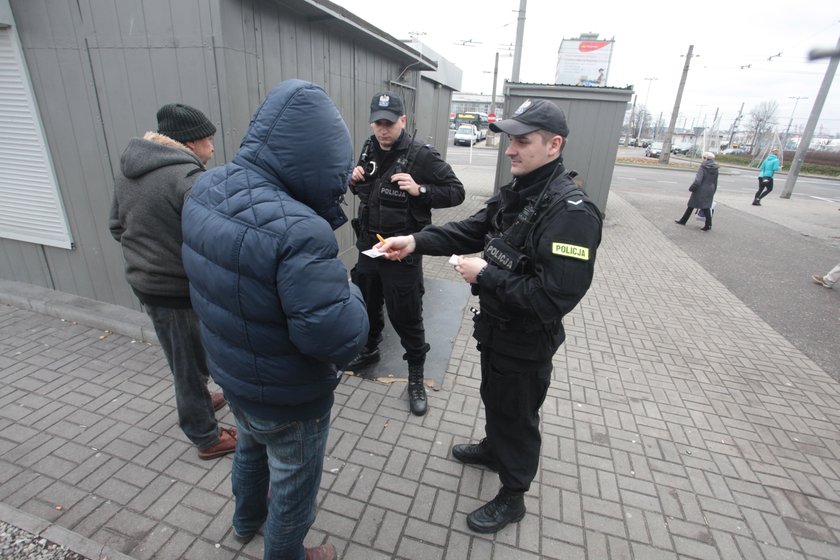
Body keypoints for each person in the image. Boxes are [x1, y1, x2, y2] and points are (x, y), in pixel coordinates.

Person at [377, 99, 603, 533]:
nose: (510, 150)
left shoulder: (571, 213)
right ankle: (494, 448)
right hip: (497, 329)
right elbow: (471, 229)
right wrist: (415, 240)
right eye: (509, 140)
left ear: (554, 145)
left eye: (522, 141)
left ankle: (513, 494)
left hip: (526, 338)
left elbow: (551, 299)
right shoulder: (520, 192)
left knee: (518, 416)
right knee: (496, 399)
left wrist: (486, 275)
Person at [181, 80, 369, 560]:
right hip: (289, 394)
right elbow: (338, 338)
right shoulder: (300, 230)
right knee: (293, 483)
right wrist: (352, 291)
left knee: (249, 447)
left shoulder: (206, 187)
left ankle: (245, 521)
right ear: (319, 158)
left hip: (233, 373)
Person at [109, 103, 236, 461]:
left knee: (185, 355)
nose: (212, 148)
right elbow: (212, 241)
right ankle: (205, 435)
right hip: (176, 289)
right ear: (190, 142)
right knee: (189, 363)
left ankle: (199, 399)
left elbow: (116, 226)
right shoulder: (187, 179)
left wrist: (149, 255)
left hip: (145, 282)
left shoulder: (129, 168)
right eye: (208, 141)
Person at [346, 91, 465, 416]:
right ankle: (370, 347)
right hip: (370, 245)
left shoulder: (422, 156)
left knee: (406, 314)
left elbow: (456, 192)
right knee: (367, 301)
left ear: (403, 121)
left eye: (389, 123)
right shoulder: (370, 146)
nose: (383, 129)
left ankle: (415, 375)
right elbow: (365, 187)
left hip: (402, 252)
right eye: (377, 123)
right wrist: (354, 179)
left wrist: (420, 190)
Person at [674, 151, 719, 231]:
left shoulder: (703, 167)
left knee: (695, 205)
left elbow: (698, 181)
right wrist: (713, 190)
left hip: (700, 189)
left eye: (703, 158)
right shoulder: (715, 168)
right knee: (705, 206)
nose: (702, 159)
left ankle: (685, 221)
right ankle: (707, 224)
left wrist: (692, 188)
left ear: (705, 158)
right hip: (710, 189)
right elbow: (715, 181)